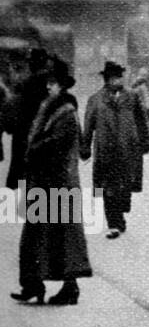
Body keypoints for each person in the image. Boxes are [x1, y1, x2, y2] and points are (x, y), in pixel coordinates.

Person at [11, 57, 90, 306]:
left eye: (53, 83)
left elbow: (57, 144)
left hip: (59, 183)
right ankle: (34, 284)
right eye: (49, 83)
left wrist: (33, 150)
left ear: (62, 85)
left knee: (60, 238)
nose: (49, 87)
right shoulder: (51, 107)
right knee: (40, 236)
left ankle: (67, 287)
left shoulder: (65, 112)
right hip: (47, 181)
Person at [82, 61, 149, 239]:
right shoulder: (96, 99)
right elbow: (88, 125)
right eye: (114, 78)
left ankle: (119, 214)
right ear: (107, 80)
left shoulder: (132, 97)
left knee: (124, 186)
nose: (118, 80)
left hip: (128, 148)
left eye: (120, 77)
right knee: (107, 187)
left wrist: (145, 141)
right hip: (106, 150)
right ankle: (114, 223)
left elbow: (141, 121)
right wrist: (85, 146)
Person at [6, 47, 50, 191]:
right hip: (44, 138)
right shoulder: (52, 86)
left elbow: (12, 120)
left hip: (24, 137)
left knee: (21, 178)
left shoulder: (25, 86)